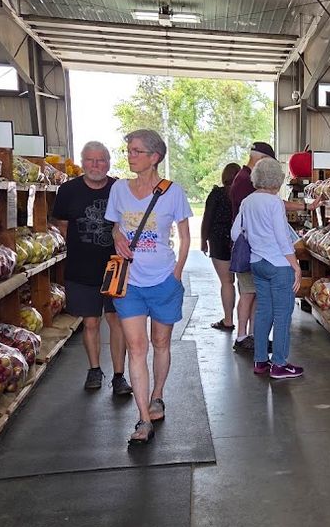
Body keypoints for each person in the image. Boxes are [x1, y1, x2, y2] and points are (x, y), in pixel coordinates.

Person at [105, 129, 192, 446]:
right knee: (137, 349)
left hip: (163, 282)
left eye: (137, 151)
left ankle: (158, 395)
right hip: (129, 283)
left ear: (154, 157)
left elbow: (184, 236)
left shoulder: (173, 192)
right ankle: (143, 418)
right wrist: (117, 236)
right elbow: (115, 225)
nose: (130, 155)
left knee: (161, 342)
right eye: (129, 150)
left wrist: (178, 273)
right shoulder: (118, 190)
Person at [51, 140, 133, 396]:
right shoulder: (67, 190)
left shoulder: (119, 188)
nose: (95, 165)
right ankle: (94, 369)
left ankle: (119, 375)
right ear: (83, 162)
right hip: (81, 268)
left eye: (101, 160)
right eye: (90, 160)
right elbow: (62, 224)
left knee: (117, 321)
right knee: (90, 323)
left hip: (115, 267)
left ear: (108, 163)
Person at [232, 157, 303, 380]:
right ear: (277, 179)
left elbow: (235, 234)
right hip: (279, 265)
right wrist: (296, 266)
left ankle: (260, 360)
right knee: (283, 315)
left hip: (257, 263)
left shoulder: (247, 201)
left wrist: (256, 239)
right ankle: (280, 364)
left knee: (263, 312)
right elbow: (283, 239)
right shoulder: (274, 202)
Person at [229, 141, 277, 351]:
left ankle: (252, 335)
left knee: (254, 293)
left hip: (251, 250)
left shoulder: (242, 178)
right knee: (248, 293)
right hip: (250, 250)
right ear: (262, 160)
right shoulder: (246, 182)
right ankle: (242, 336)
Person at [200, 162, 240, 330]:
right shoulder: (243, 194)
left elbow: (207, 219)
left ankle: (228, 320)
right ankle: (246, 325)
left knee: (226, 282)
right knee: (244, 286)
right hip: (240, 241)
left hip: (219, 241)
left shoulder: (217, 194)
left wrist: (203, 240)